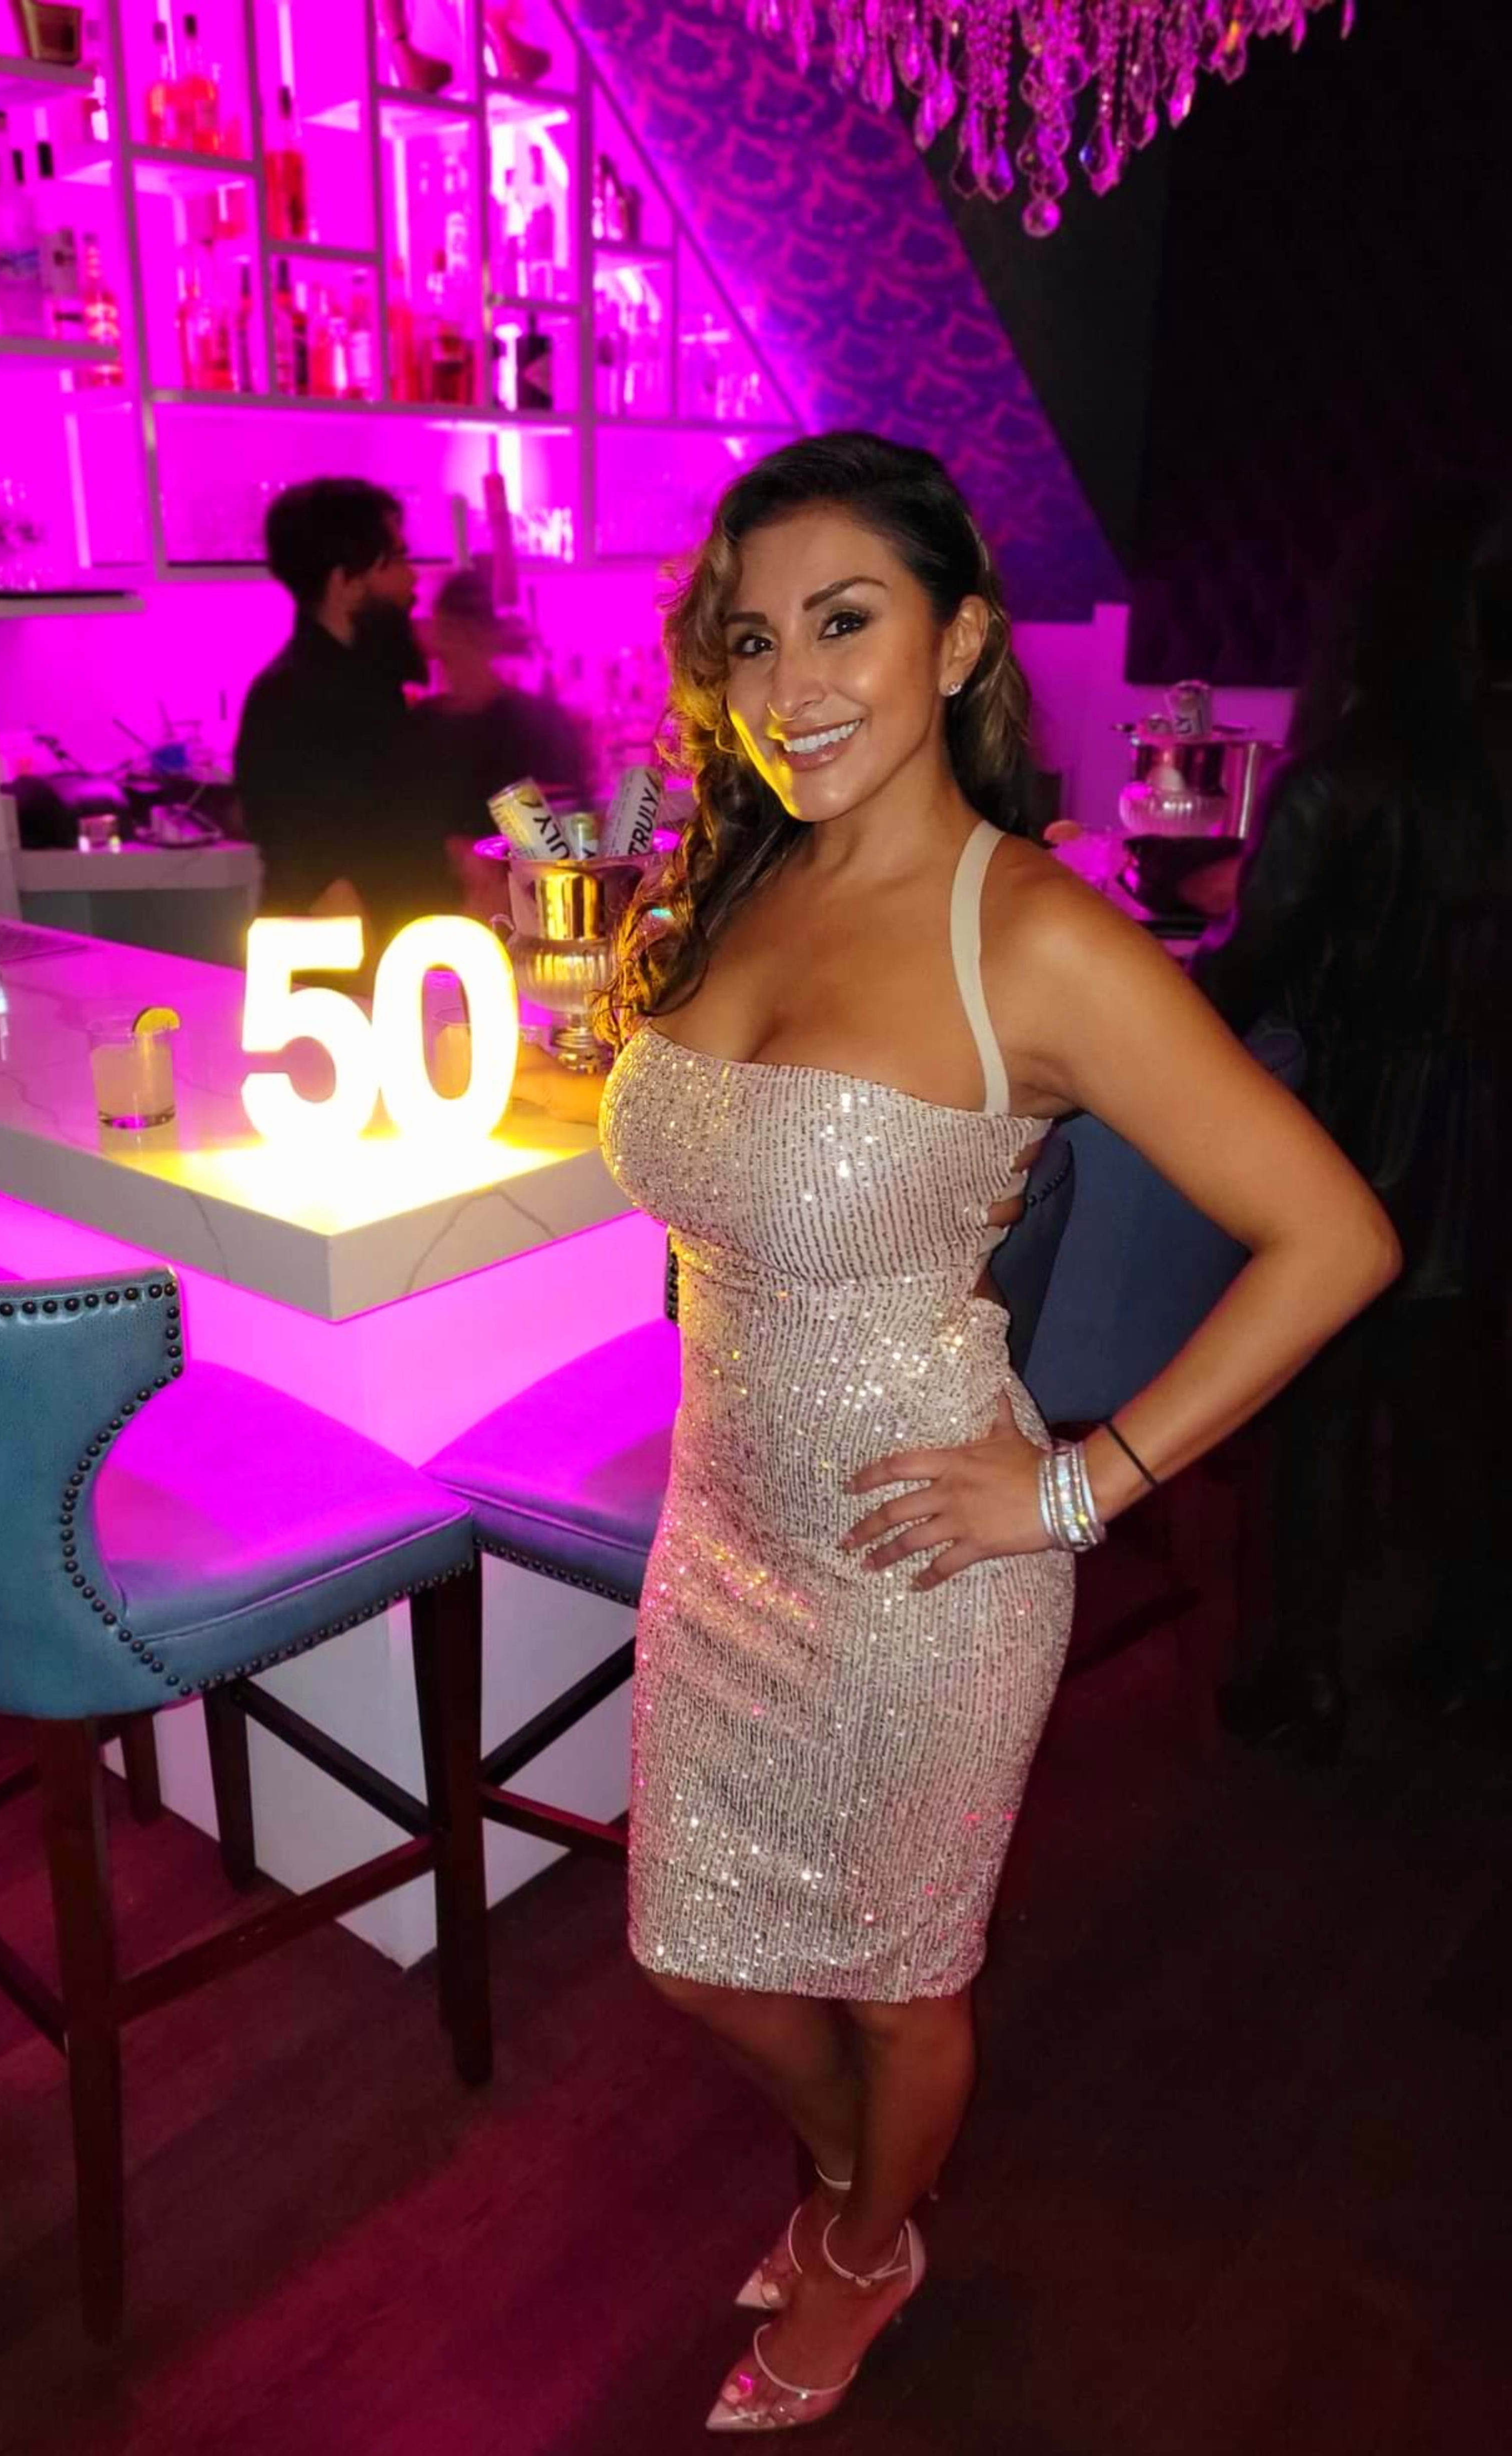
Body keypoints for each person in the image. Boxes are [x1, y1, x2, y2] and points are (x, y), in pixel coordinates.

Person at [517, 431, 1397, 2432]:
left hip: (930, 1550)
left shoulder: (1040, 941)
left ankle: (863, 2237)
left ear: (960, 639)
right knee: (694, 1948)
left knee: (898, 1980)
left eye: (848, 622)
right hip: (723, 1516)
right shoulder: (747, 871)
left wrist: (1087, 1482)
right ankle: (855, 2185)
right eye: (753, 638)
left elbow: (1333, 1235)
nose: (792, 685)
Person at [1197, 495, 1512, 1751]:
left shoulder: (1343, 770)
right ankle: (1469, 1639)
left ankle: (1303, 1671)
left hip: (1363, 1123)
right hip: (1486, 1123)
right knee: (1460, 1399)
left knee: (1318, 1405)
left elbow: (1249, 975)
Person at [232, 476, 448, 950]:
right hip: (341, 992)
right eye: (394, 561)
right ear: (345, 583)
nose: (413, 579)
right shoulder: (289, 701)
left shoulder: (368, 685)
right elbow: (322, 877)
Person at [416, 566, 595, 826]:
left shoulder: (540, 726)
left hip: (517, 866)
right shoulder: (425, 725)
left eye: (464, 632)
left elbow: (577, 830)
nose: (459, 643)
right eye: (451, 631)